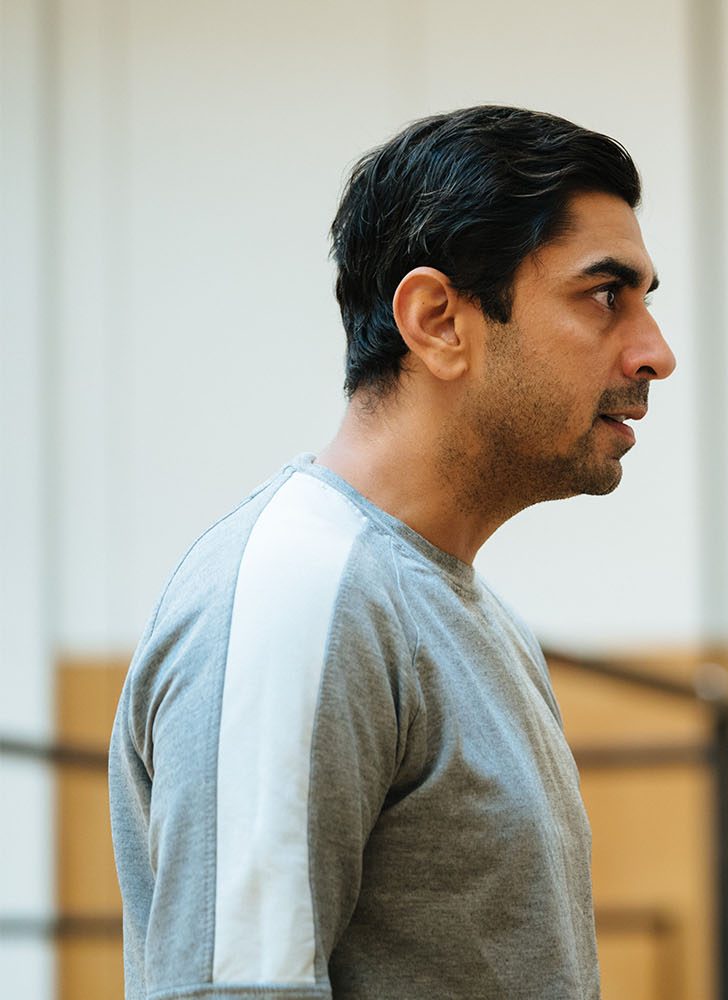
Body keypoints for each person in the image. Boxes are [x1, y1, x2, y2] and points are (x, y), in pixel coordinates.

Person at [109, 105, 675, 1000]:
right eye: (606, 295)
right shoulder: (299, 596)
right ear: (438, 320)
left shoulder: (467, 614)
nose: (656, 353)